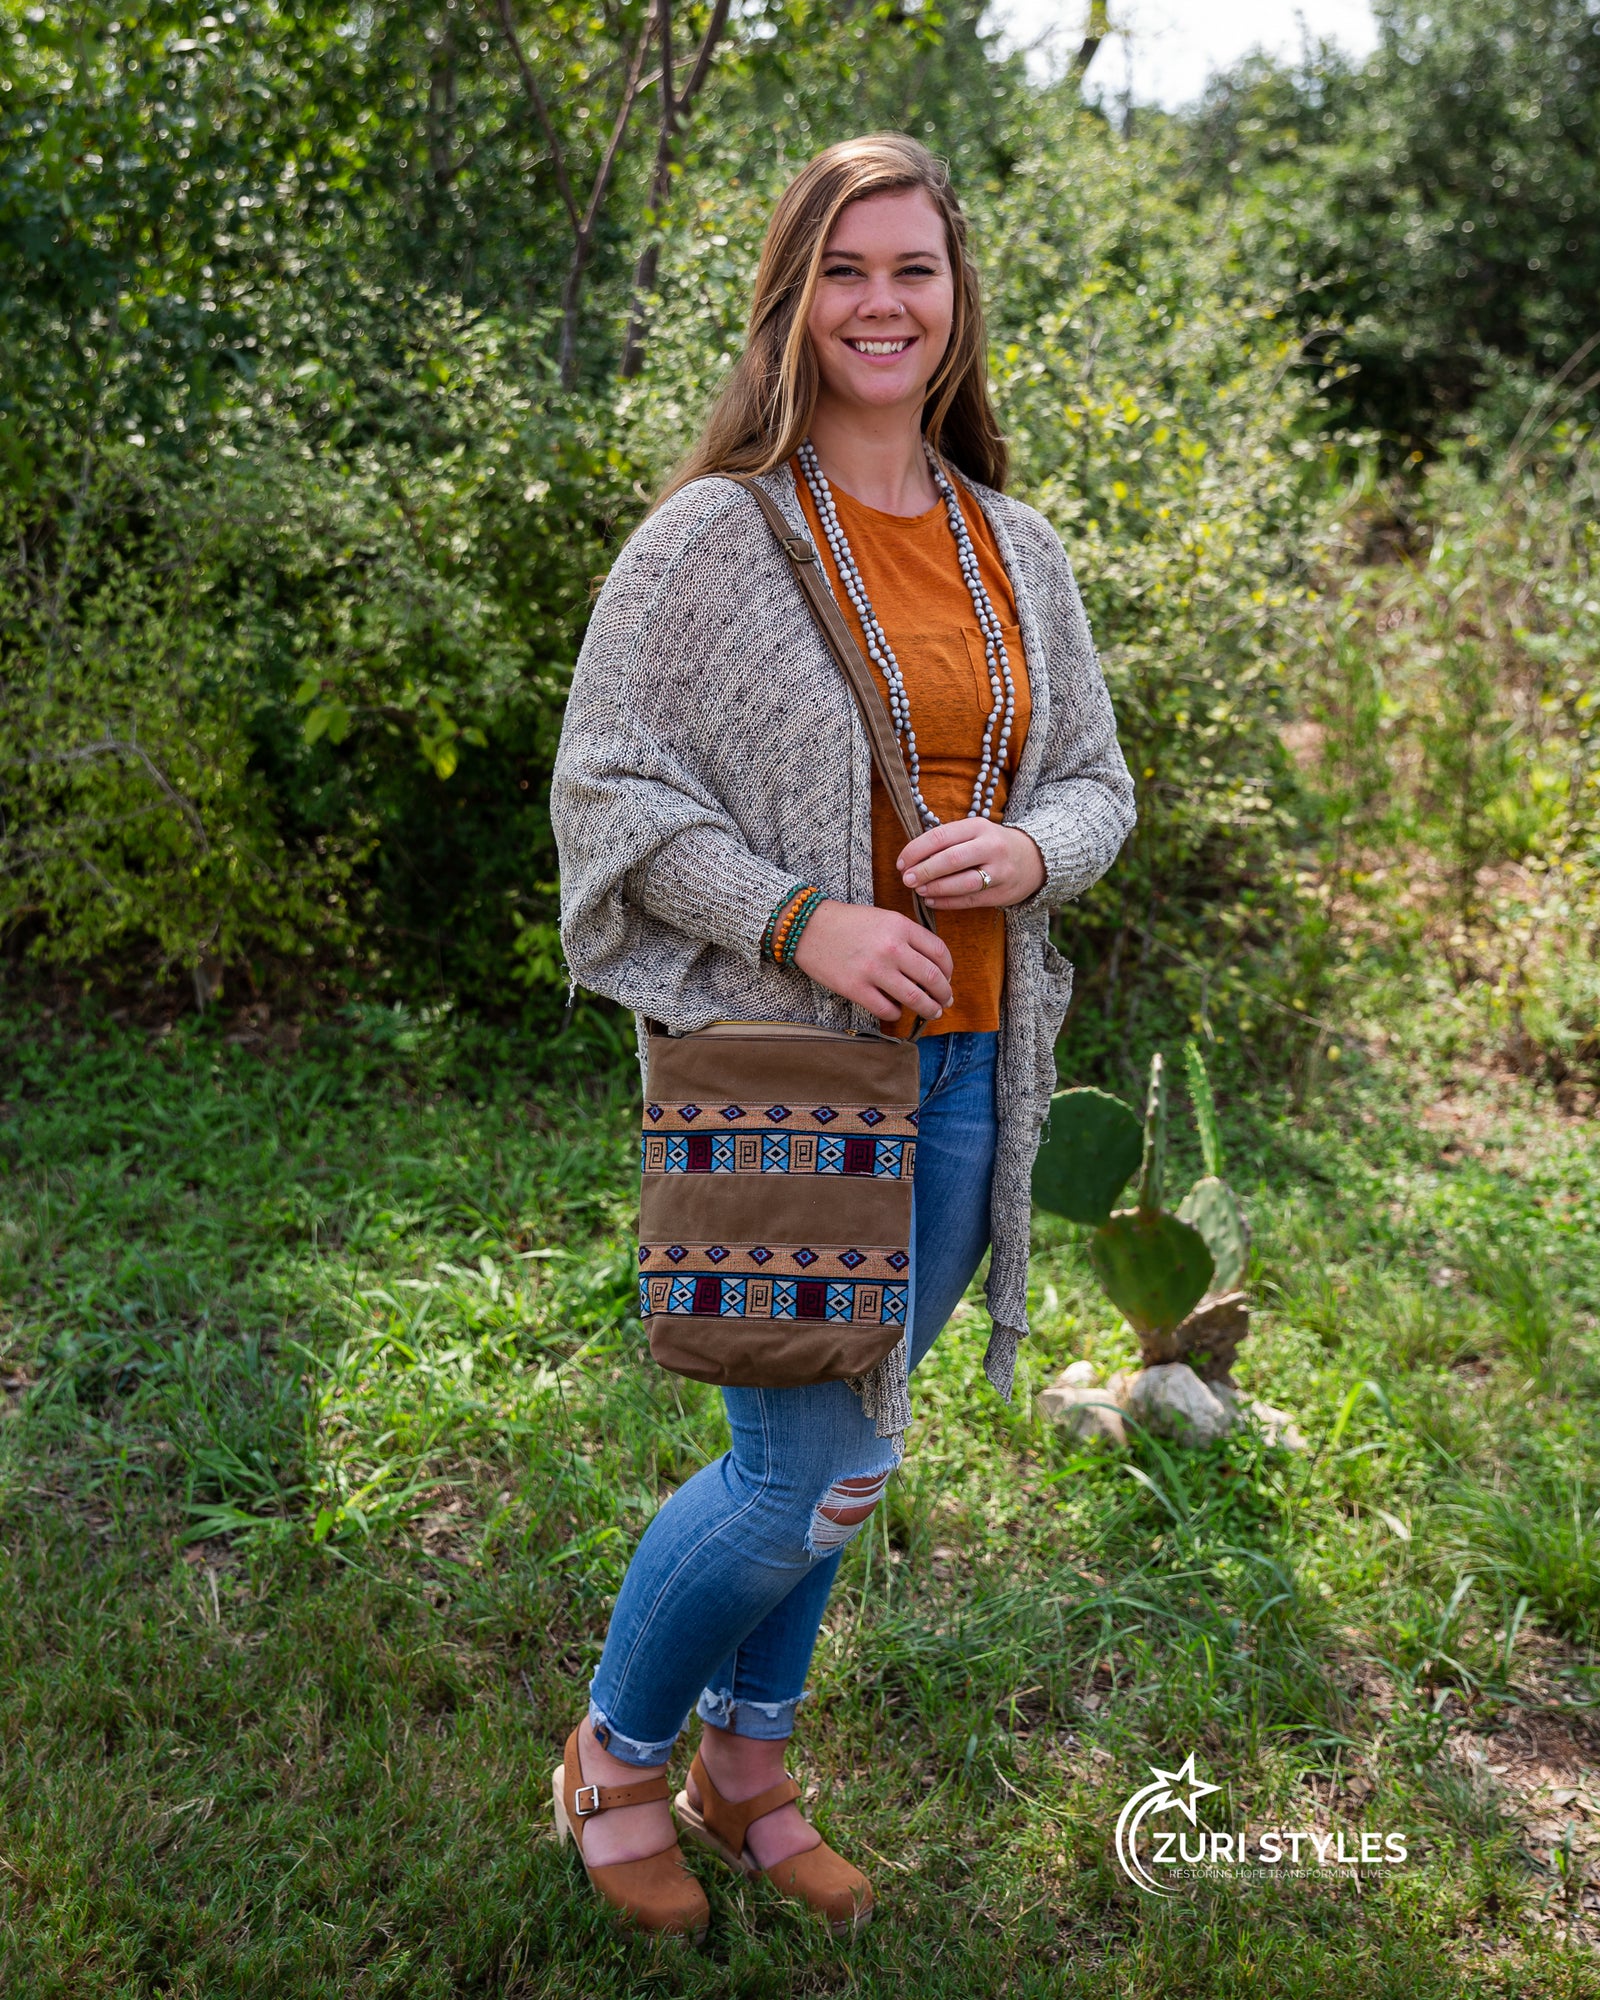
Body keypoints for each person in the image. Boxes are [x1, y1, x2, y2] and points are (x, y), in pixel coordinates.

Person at [548, 131, 1135, 1942]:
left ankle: (753, 1769)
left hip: (972, 1064)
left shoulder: (1016, 546)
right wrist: (805, 919)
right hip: (788, 1072)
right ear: (794, 304)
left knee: (856, 1446)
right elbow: (607, 788)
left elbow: (1098, 782)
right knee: (795, 1469)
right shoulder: (711, 539)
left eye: (916, 270)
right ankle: (614, 1759)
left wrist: (1031, 851)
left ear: (959, 302)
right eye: (848, 272)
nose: (884, 304)